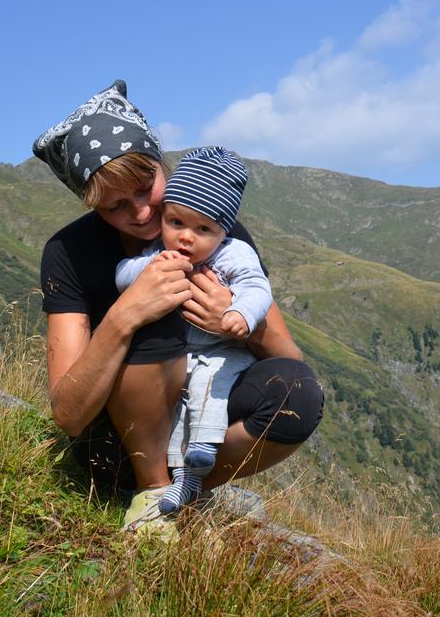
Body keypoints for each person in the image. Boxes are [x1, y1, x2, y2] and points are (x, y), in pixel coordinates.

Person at [33, 80, 324, 533]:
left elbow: (290, 361)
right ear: (92, 206)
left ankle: (184, 490)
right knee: (156, 308)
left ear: (161, 163)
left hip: (196, 427)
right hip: (111, 451)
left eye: (147, 186)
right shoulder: (68, 253)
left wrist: (230, 320)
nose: (142, 212)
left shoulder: (210, 228)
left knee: (297, 394)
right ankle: (150, 495)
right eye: (115, 206)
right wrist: (125, 315)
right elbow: (69, 415)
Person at [115, 146, 270, 514]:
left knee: (208, 387)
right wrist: (152, 268)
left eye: (203, 229)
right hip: (184, 353)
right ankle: (182, 481)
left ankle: (203, 449)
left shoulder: (234, 254)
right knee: (180, 404)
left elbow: (256, 286)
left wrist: (242, 316)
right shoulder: (159, 251)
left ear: (222, 231)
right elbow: (122, 274)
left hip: (223, 349)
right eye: (176, 223)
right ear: (165, 216)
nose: (186, 237)